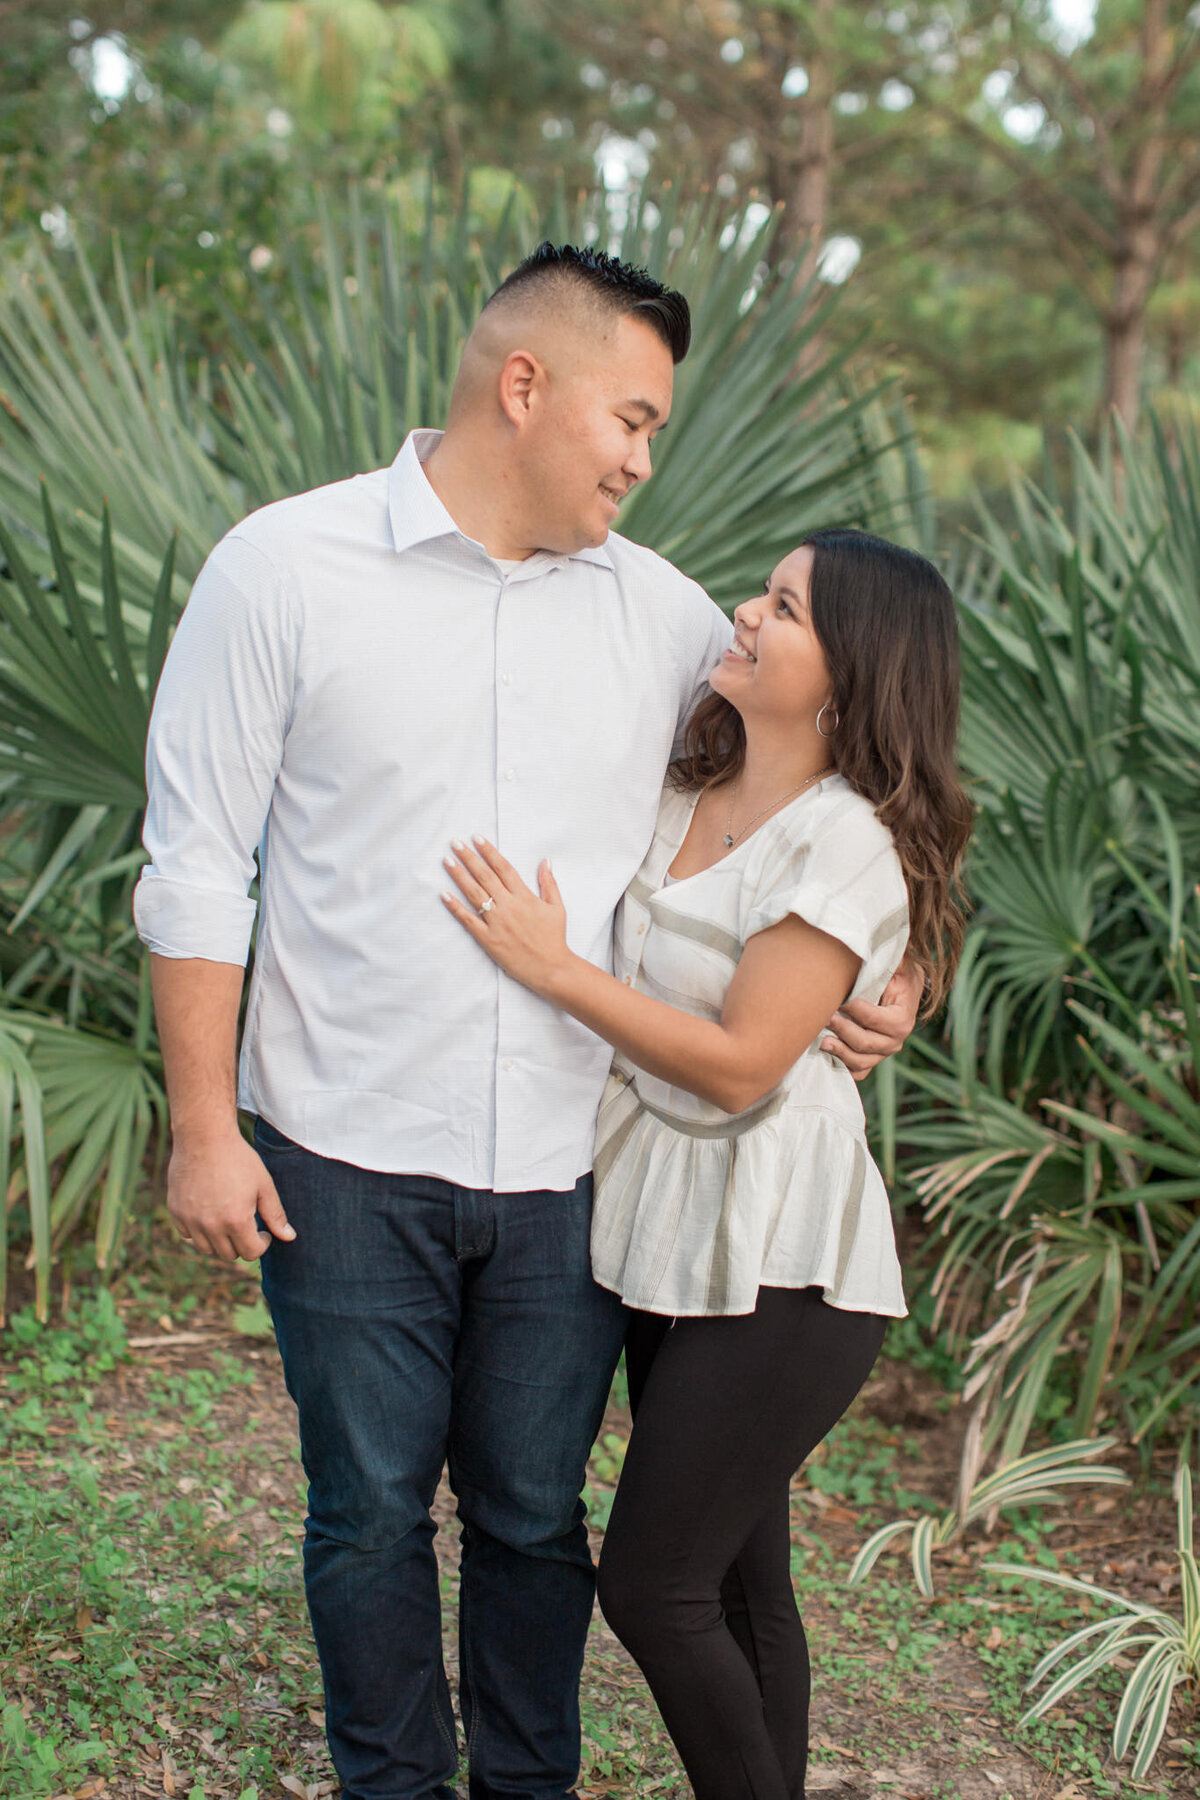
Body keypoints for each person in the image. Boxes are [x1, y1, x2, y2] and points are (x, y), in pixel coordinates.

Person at [133, 243, 922, 1800]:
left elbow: (850, 774)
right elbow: (198, 861)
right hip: (341, 1148)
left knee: (531, 1517)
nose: (645, 457)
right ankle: (394, 1784)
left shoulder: (666, 617)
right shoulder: (283, 570)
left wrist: (899, 981)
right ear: (526, 387)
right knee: (364, 1508)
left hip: (575, 1171)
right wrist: (207, 1126)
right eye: (632, 419)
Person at [442, 526, 972, 1800]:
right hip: (662, 1212)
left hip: (784, 1251)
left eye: (783, 609)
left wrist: (553, 967)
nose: (745, 614)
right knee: (742, 1579)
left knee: (655, 1583)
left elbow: (739, 1063)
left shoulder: (843, 841)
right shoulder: (693, 777)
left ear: (848, 676)